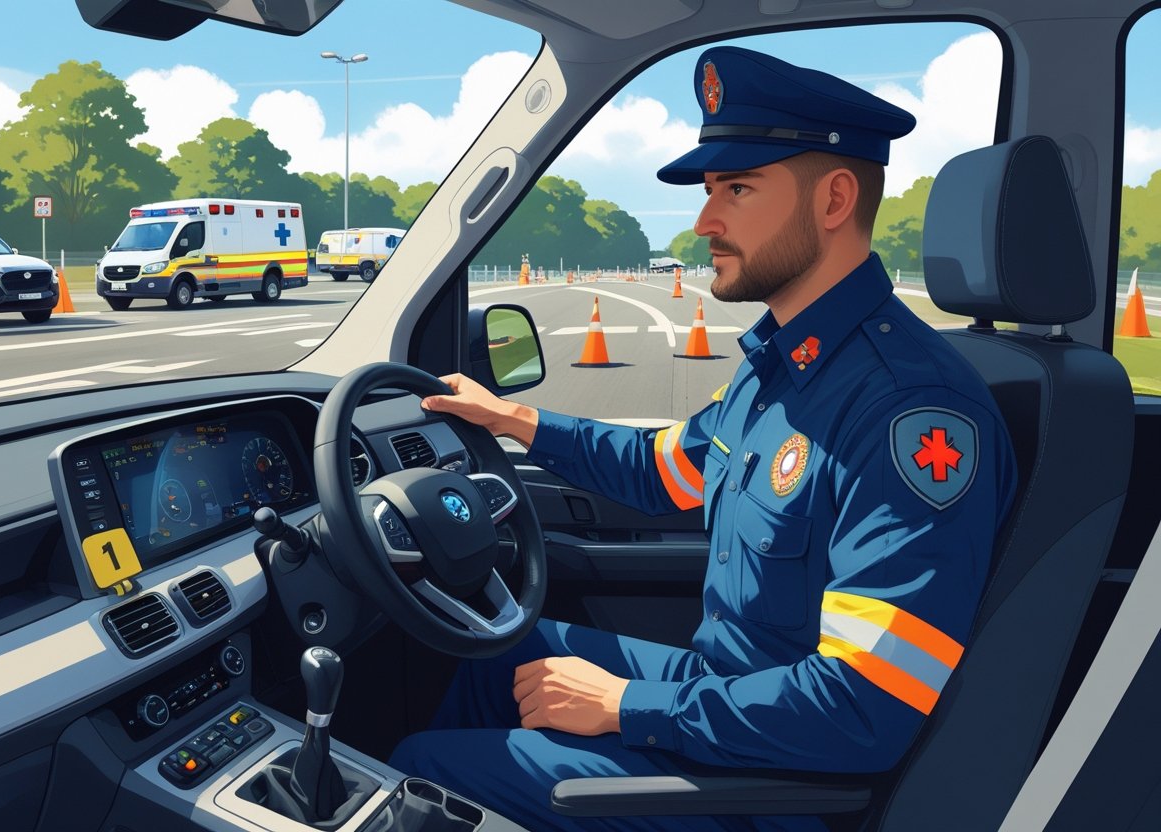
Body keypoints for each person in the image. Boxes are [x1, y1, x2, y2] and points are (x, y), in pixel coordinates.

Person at [388, 46, 1018, 832]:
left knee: (421, 771)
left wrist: (627, 706)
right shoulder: (783, 363)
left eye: (738, 190)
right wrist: (513, 419)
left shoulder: (908, 411)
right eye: (711, 191)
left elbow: (865, 705)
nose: (704, 222)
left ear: (834, 200)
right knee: (498, 653)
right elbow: (667, 471)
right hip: (730, 691)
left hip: (781, 782)